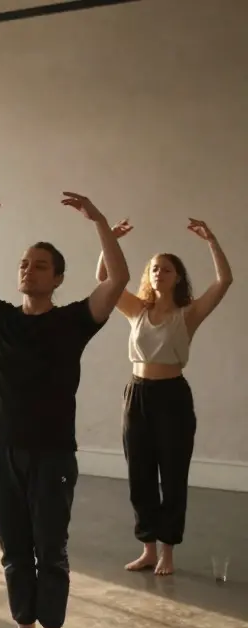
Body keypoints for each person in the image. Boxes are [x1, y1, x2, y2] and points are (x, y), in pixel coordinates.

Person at [0, 193, 129, 628]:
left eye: (40, 265)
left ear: (57, 278)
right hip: (2, 449)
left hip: (53, 453)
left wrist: (99, 220)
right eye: (24, 263)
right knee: (14, 550)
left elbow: (119, 280)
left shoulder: (74, 321)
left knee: (51, 549)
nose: (29, 270)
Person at [97, 218, 233, 576]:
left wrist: (212, 240)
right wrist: (109, 240)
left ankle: (168, 553)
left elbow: (224, 282)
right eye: (154, 268)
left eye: (166, 269)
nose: (159, 273)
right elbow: (104, 280)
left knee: (172, 475)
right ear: (149, 275)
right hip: (137, 395)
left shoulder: (187, 315)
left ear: (177, 277)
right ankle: (147, 548)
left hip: (172, 397)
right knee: (139, 474)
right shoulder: (136, 311)